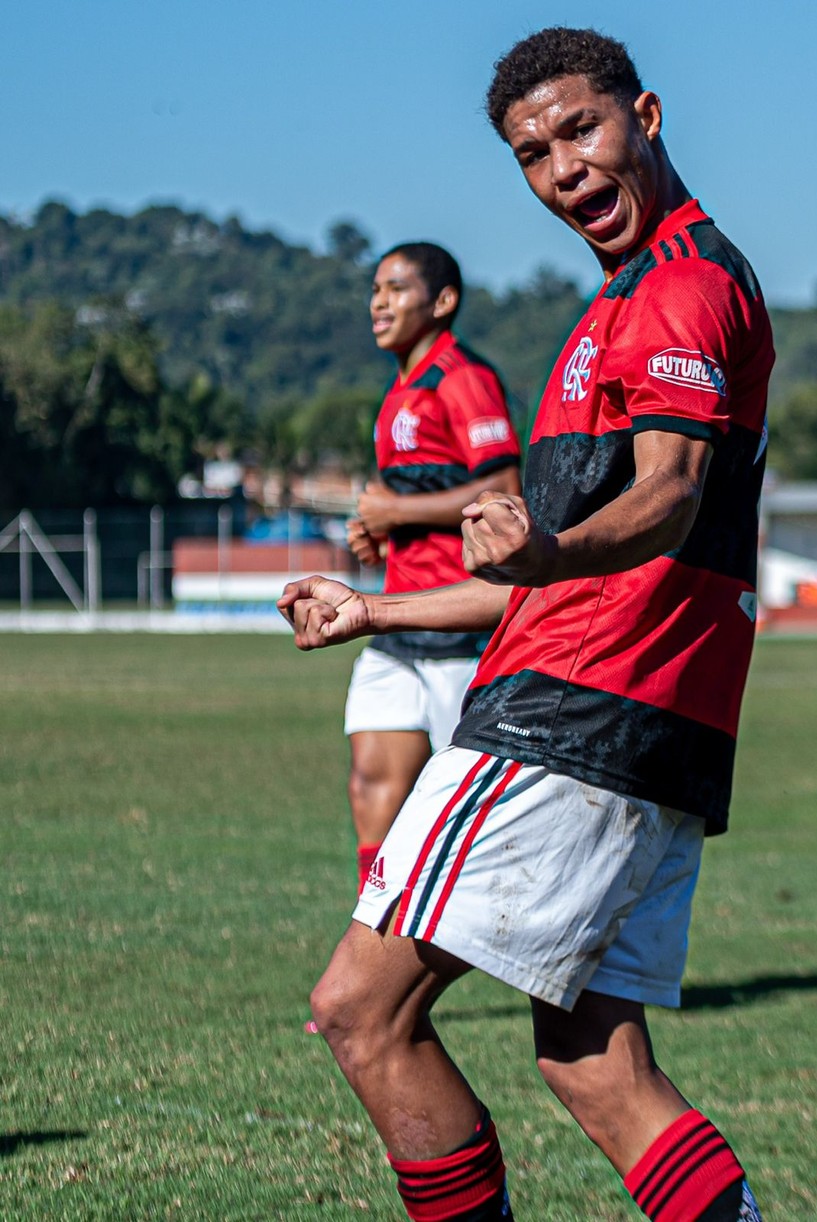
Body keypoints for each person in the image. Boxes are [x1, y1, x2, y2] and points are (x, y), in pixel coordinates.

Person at [280, 27, 773, 1221]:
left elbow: (668, 495)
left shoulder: (679, 288)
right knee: (593, 1060)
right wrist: (375, 608)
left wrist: (549, 549)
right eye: (531, 152)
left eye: (582, 130)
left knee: (362, 1007)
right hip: (656, 722)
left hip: (576, 709)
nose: (562, 168)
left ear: (645, 117)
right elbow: (540, 566)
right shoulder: (628, 296)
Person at [344, 241, 521, 889]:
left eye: (395, 289)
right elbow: (413, 502)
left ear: (442, 302)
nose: (379, 302)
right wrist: (379, 534)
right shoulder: (398, 395)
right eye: (374, 289)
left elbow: (503, 489)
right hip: (395, 631)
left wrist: (398, 516)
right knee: (370, 788)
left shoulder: (462, 378)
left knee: (474, 820)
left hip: (461, 630)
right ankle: (379, 943)